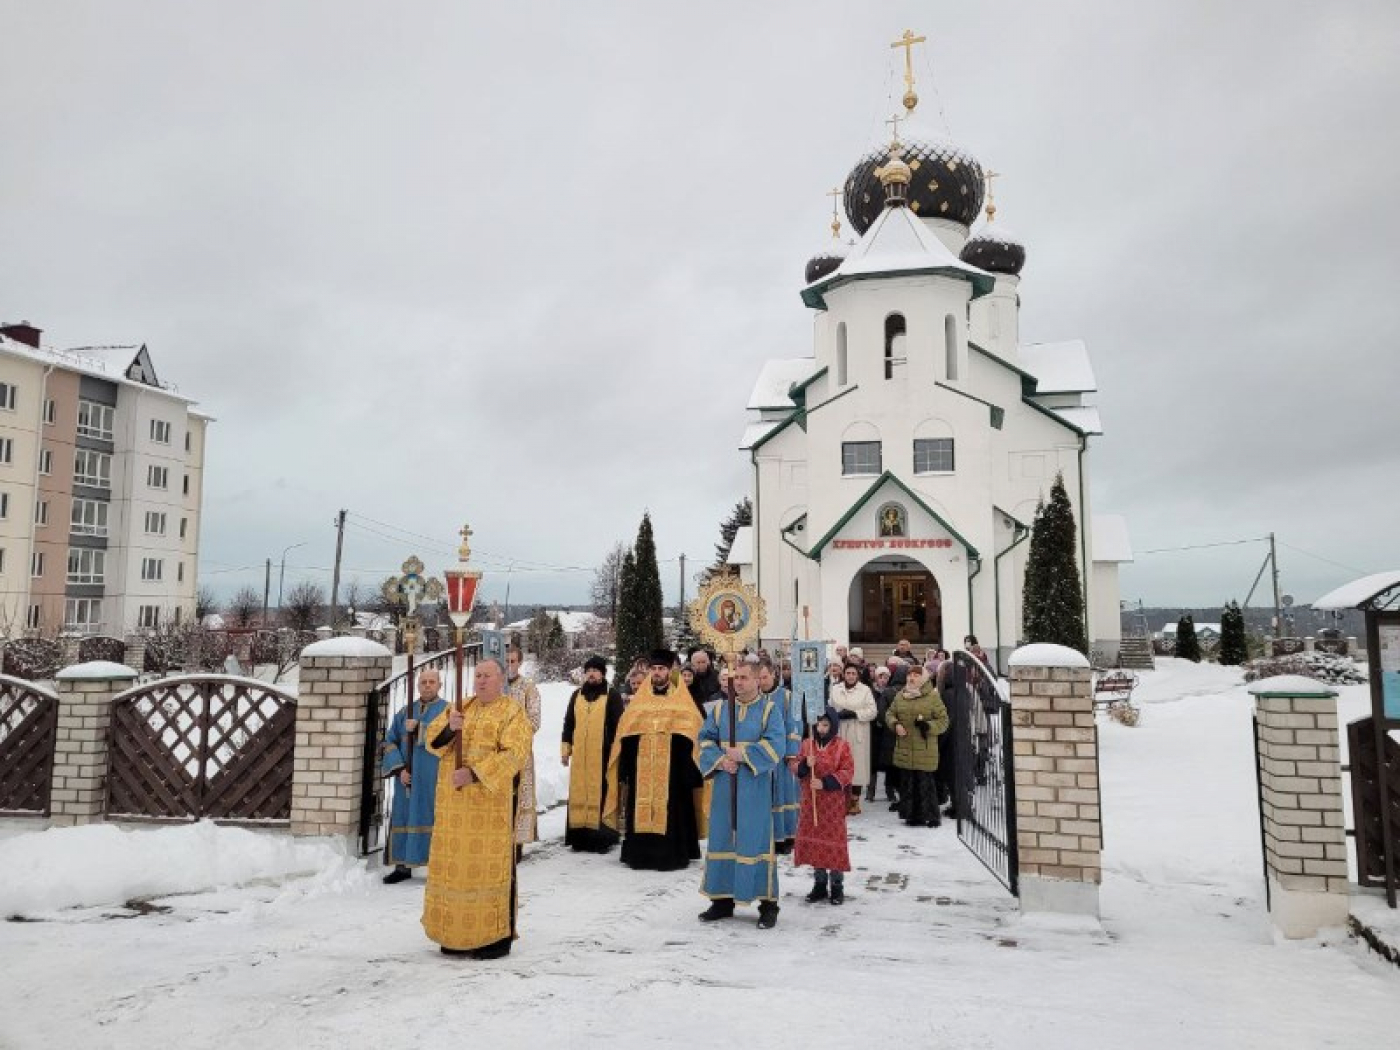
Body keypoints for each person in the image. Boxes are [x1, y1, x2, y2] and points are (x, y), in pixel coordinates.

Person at [421, 658, 533, 959]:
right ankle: (454, 933)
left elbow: (515, 754)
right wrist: (449, 727)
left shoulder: (513, 712)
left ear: (501, 680)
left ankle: (493, 937)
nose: (481, 681)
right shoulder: (461, 707)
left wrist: (473, 773)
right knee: (453, 872)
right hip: (454, 811)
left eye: (488, 676)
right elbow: (432, 740)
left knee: (487, 872)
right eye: (478, 675)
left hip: (488, 812)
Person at [698, 660, 787, 929]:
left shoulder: (770, 710)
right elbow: (704, 739)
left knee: (755, 839)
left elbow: (776, 744)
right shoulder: (719, 710)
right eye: (735, 677)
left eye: (744, 677)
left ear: (759, 679)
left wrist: (745, 754)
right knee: (724, 837)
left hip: (754, 786)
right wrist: (719, 760)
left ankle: (767, 903)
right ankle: (722, 899)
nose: (738, 682)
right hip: (726, 784)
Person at [604, 649, 704, 871]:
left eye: (661, 669)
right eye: (654, 669)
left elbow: (694, 730)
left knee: (672, 810)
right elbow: (625, 732)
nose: (657, 673)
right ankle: (639, 855)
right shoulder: (640, 701)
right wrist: (627, 764)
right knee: (640, 807)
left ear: (670, 671)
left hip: (672, 769)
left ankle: (671, 855)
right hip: (642, 767)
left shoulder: (682, 700)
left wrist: (681, 754)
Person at [379, 668, 450, 884]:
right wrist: (400, 770)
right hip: (407, 778)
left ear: (439, 685)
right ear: (417, 686)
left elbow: (448, 738)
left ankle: (436, 867)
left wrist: (421, 728)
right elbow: (389, 741)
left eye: (432, 682)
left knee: (432, 817)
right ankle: (402, 866)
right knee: (404, 816)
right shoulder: (404, 712)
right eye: (423, 682)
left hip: (433, 777)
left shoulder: (447, 710)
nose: (427, 685)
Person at [562, 656, 626, 853]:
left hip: (603, 755)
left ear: (602, 673)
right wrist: (566, 750)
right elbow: (569, 723)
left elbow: (619, 726)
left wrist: (616, 751)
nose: (591, 674)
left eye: (595, 670)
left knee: (602, 794)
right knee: (579, 791)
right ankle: (579, 837)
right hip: (581, 755)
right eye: (588, 670)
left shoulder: (612, 695)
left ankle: (602, 839)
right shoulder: (577, 695)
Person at [794, 707, 855, 905]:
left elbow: (848, 771)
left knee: (833, 843)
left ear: (833, 726)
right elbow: (794, 766)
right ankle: (819, 884)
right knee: (815, 843)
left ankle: (837, 886)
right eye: (818, 724)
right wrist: (804, 765)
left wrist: (825, 782)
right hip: (810, 802)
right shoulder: (806, 745)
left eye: (825, 725)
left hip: (832, 804)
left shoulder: (841, 746)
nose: (821, 729)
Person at [886, 663, 950, 828]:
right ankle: (911, 815)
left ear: (923, 678)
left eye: (915, 675)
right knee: (908, 783)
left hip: (925, 748)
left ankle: (931, 816)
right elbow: (890, 713)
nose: (911, 678)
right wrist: (895, 724)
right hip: (905, 747)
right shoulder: (901, 695)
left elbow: (943, 721)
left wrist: (928, 726)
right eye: (909, 675)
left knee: (925, 783)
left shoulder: (932, 696)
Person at [757, 660, 799, 855]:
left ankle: (785, 837)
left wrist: (791, 754)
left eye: (764, 677)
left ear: (774, 675)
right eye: (758, 678)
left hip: (781, 757)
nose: (761, 681)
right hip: (759, 756)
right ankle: (765, 837)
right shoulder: (753, 697)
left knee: (783, 795)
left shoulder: (787, 697)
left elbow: (794, 726)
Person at [505, 646, 542, 857]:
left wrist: (512, 732)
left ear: (519, 663)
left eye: (513, 661)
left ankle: (517, 841)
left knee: (518, 794)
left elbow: (534, 720)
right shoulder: (496, 687)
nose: (510, 665)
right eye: (506, 661)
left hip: (520, 751)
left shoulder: (528, 687)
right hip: (495, 751)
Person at [828, 663, 877, 815]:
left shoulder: (865, 690)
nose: (850, 676)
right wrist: (836, 714)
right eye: (848, 673)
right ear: (844, 674)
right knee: (839, 764)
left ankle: (855, 800)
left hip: (858, 731)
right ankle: (840, 799)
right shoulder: (836, 688)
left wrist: (855, 713)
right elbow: (829, 706)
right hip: (840, 729)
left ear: (858, 675)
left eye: (853, 673)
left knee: (856, 766)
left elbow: (872, 711)